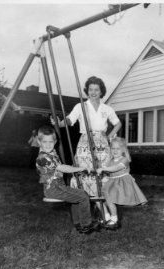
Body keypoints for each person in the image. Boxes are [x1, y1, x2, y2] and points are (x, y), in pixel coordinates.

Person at [51, 76, 121, 223]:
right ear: (87, 91)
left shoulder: (107, 108)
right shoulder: (80, 106)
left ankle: (103, 210)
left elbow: (118, 123)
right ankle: (103, 213)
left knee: (102, 175)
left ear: (101, 91)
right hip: (85, 143)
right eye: (90, 89)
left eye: (96, 89)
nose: (93, 92)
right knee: (86, 175)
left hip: (102, 143)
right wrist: (59, 123)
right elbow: (69, 120)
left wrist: (109, 136)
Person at [36, 125, 99, 234]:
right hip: (54, 189)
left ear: (55, 141)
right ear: (39, 142)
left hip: (59, 186)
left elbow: (60, 165)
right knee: (83, 196)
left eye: (50, 142)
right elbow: (62, 168)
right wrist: (80, 168)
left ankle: (78, 223)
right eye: (44, 142)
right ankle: (86, 224)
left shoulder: (51, 153)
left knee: (76, 197)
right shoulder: (44, 158)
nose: (48, 145)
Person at [97, 137, 148, 229]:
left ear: (123, 149)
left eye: (118, 148)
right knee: (98, 198)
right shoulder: (110, 161)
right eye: (113, 148)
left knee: (109, 198)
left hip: (121, 183)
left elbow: (116, 168)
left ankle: (114, 217)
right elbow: (109, 172)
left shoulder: (124, 160)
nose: (115, 151)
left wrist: (104, 168)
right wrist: (105, 176)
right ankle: (106, 215)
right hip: (112, 181)